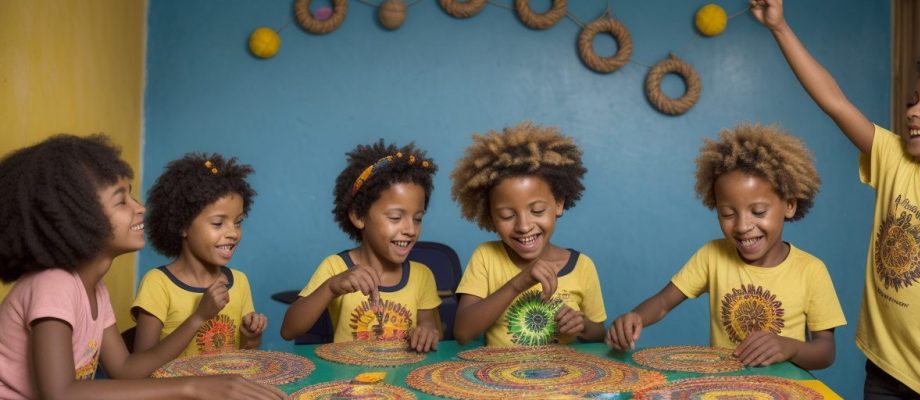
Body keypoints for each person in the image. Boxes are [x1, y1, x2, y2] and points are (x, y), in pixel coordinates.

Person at [753, 0, 920, 397]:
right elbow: (834, 101)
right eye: (913, 100)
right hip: (885, 370)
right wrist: (779, 27)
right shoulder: (896, 160)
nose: (914, 111)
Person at [0, 134, 284, 399]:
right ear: (77, 217)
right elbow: (60, 393)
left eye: (131, 196)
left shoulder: (95, 289)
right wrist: (193, 386)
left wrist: (206, 372)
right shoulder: (53, 283)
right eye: (121, 201)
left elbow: (125, 370)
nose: (140, 208)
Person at [606, 124, 846, 370]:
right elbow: (663, 302)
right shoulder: (712, 256)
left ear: (790, 205)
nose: (742, 226)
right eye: (728, 214)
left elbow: (825, 351)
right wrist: (635, 317)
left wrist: (790, 347)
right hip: (722, 385)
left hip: (786, 387)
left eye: (758, 211)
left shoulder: (811, 270)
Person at [451, 122, 607, 346]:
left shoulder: (582, 266)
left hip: (564, 370)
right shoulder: (486, 257)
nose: (523, 226)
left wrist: (582, 325)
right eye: (507, 215)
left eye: (537, 211)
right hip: (500, 370)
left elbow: (600, 334)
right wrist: (518, 283)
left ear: (559, 204)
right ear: (490, 216)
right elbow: (462, 331)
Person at [280, 141, 441, 353]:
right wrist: (330, 288)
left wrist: (428, 332)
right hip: (348, 373)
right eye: (395, 217)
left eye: (418, 218)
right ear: (359, 216)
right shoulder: (336, 267)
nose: (410, 229)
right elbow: (289, 330)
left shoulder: (422, 276)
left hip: (405, 374)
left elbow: (433, 328)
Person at [132, 153, 266, 357]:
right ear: (182, 225)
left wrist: (251, 339)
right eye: (218, 223)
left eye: (238, 222)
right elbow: (141, 364)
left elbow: (243, 358)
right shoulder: (158, 284)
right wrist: (200, 316)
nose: (233, 233)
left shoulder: (239, 282)